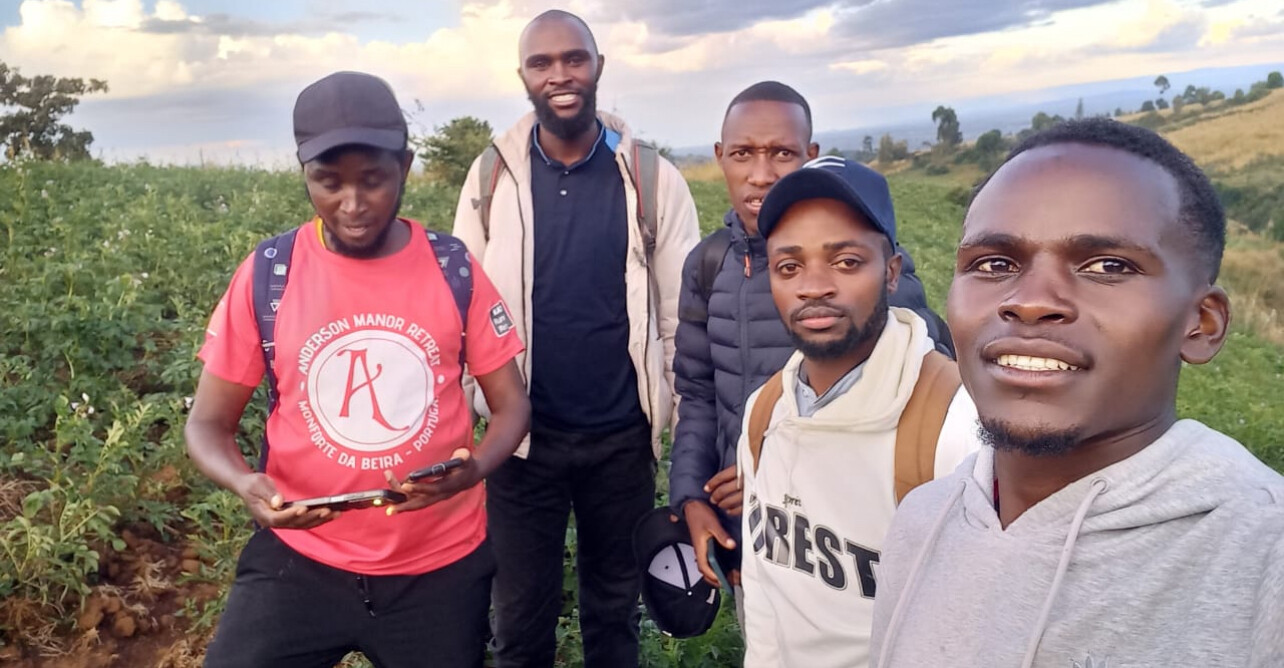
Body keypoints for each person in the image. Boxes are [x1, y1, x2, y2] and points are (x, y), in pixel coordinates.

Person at [871, 118, 1284, 668]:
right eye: (994, 264)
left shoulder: (1265, 559)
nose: (1031, 301)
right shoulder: (921, 522)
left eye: (1108, 266)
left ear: (1202, 323)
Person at [186, 71, 530, 668]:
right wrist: (246, 484)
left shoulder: (453, 269)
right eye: (328, 182)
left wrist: (472, 470)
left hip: (439, 571)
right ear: (305, 174)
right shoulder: (270, 272)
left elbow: (513, 406)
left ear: (405, 166)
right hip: (300, 561)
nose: (352, 204)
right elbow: (206, 425)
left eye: (373, 180)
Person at [449, 10, 700, 667]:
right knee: (518, 622)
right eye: (542, 63)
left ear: (598, 68)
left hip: (622, 440)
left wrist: (674, 420)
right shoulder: (492, 177)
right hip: (520, 441)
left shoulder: (651, 179)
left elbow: (681, 317)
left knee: (614, 616)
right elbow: (461, 308)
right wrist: (478, 405)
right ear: (523, 77)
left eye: (574, 59)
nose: (559, 74)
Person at [669, 81, 953, 599]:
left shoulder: (871, 274)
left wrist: (775, 476)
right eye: (743, 154)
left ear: (810, 155)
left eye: (782, 153)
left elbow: (909, 402)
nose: (761, 174)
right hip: (746, 530)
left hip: (849, 541)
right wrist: (691, 496)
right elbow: (698, 393)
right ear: (720, 157)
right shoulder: (708, 266)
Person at [737, 156, 980, 667]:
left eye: (846, 262)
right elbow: (762, 589)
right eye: (789, 267)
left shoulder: (953, 425)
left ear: (891, 272)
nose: (814, 286)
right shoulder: (765, 412)